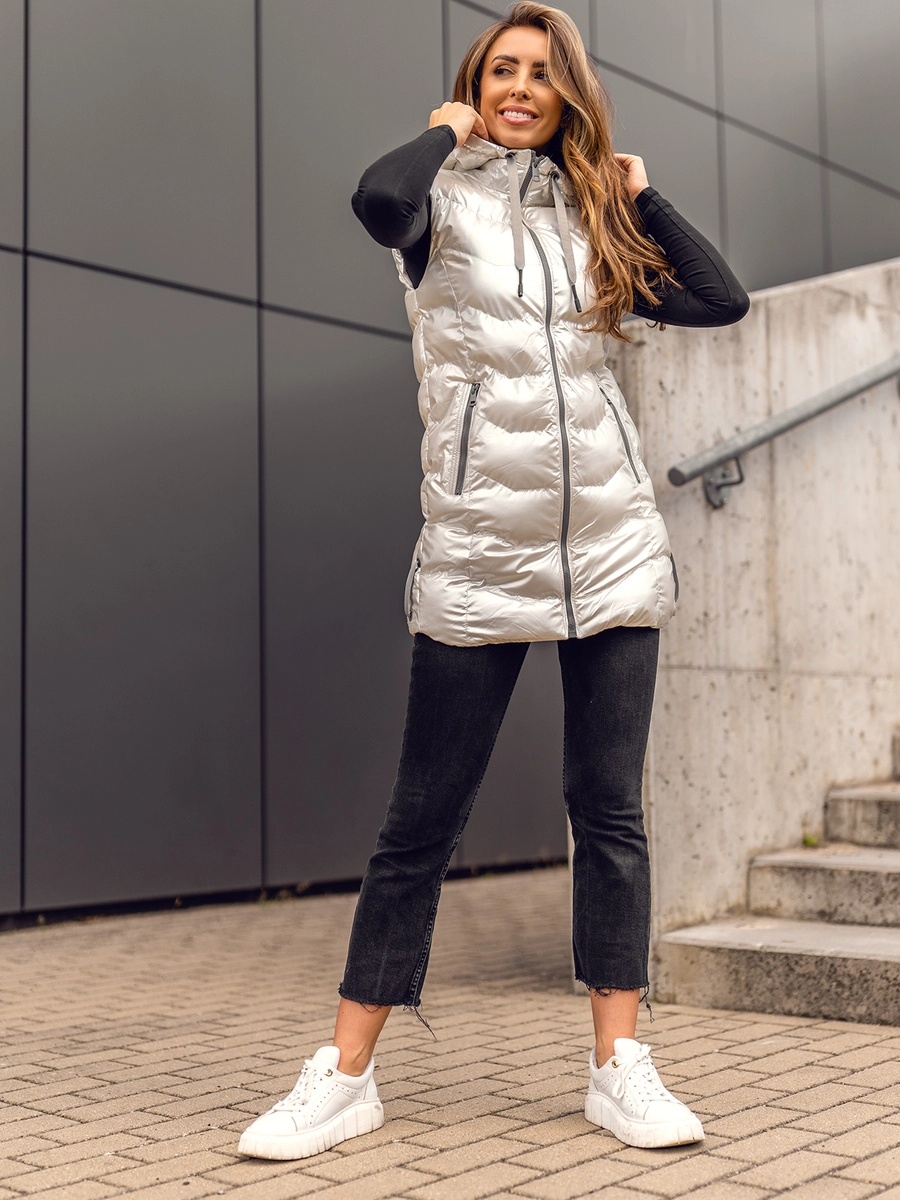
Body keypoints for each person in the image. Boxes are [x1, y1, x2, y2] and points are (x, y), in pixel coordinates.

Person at [239, 1, 749, 1162]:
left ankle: (620, 1065)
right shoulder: (435, 207)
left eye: (542, 72)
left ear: (571, 95)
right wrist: (447, 131)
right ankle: (344, 1074)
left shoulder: (595, 219)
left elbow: (720, 299)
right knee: (420, 822)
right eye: (501, 70)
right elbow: (374, 199)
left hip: (612, 549)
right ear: (475, 88)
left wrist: (638, 194)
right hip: (478, 551)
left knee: (609, 813)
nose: (521, 87)